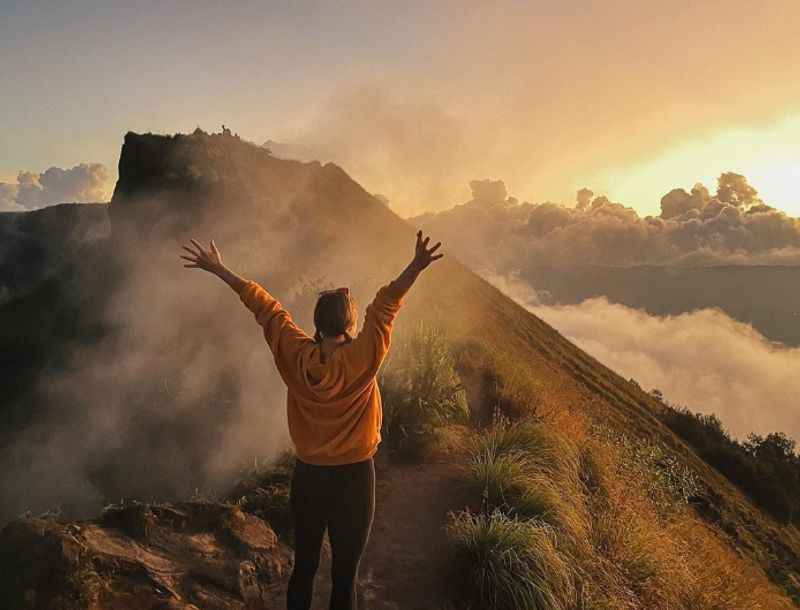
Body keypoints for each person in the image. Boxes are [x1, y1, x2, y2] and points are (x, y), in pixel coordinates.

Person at [179, 230, 444, 610]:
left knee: (304, 567)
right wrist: (416, 266)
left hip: (309, 477)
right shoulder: (363, 358)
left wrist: (219, 269)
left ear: (317, 326)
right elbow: (386, 304)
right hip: (355, 478)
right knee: (344, 578)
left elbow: (265, 308)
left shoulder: (296, 355)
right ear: (350, 326)